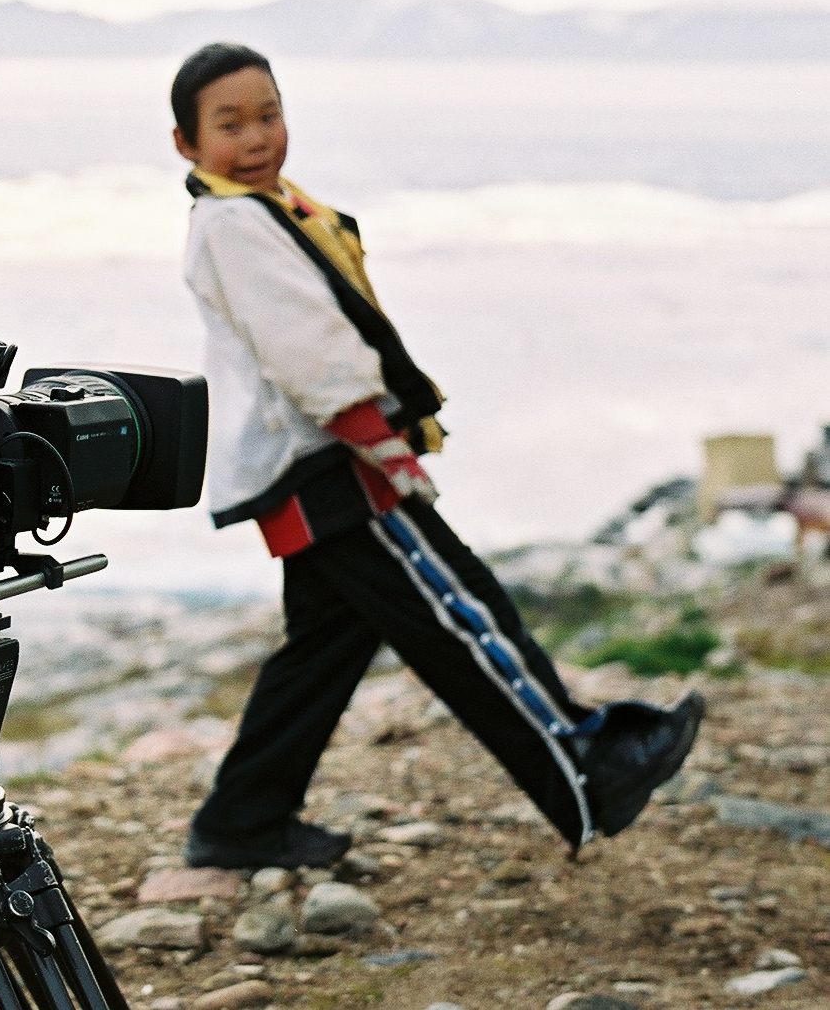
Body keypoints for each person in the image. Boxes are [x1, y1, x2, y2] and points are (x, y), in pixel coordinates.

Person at [169, 44, 704, 870]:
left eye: (268, 115)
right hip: (327, 462)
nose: (255, 137)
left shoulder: (265, 209)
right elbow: (302, 346)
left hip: (306, 463)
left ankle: (241, 821)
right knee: (462, 615)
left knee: (324, 649)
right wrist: (379, 442)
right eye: (229, 125)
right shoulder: (235, 223)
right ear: (186, 144)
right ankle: (585, 772)